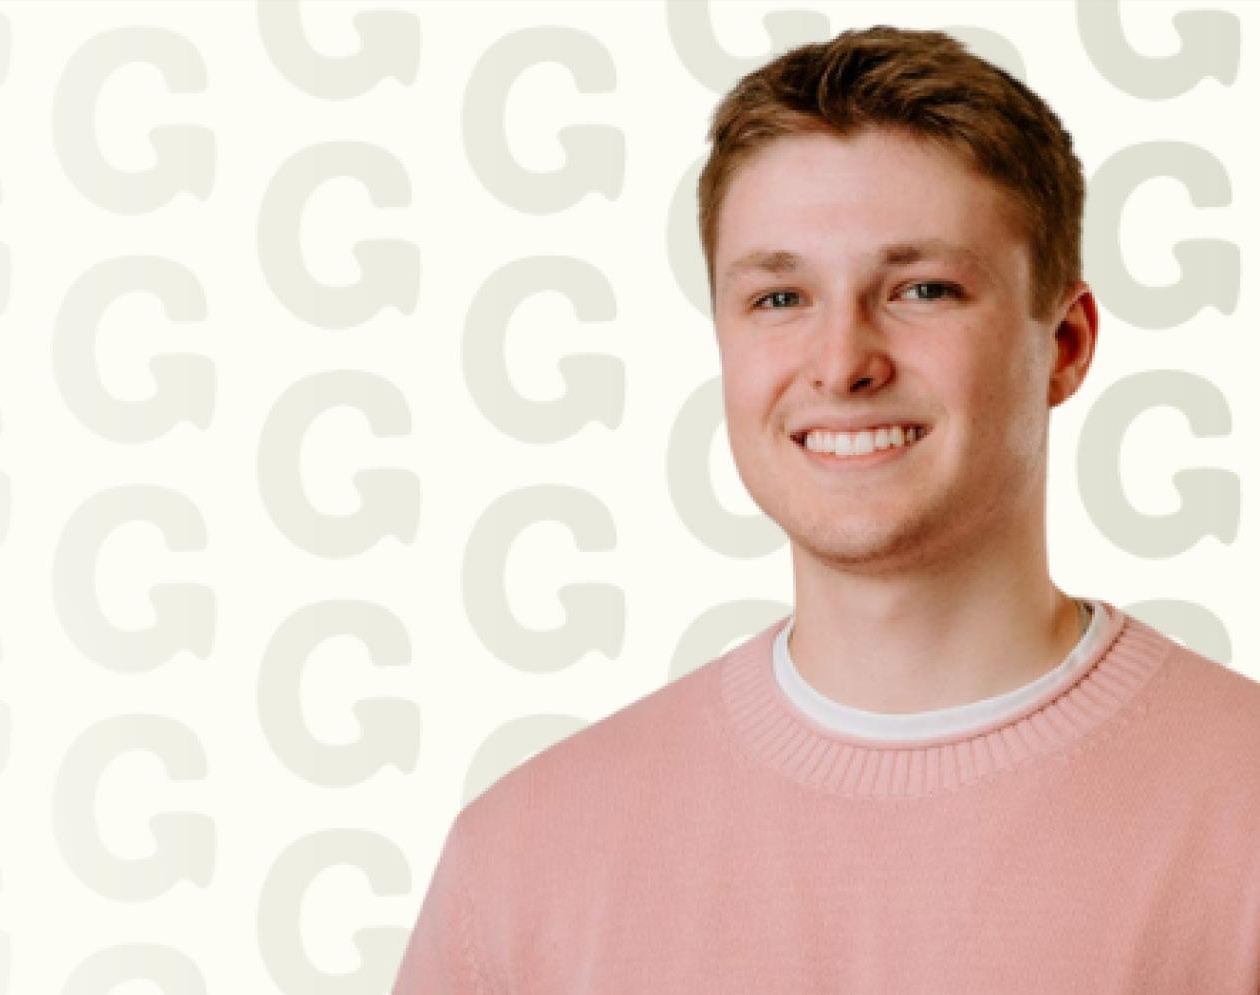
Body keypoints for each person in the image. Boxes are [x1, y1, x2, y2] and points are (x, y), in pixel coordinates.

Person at [392, 25, 1260, 994]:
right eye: (779, 298)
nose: (842, 362)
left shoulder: (1241, 808)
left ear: (1063, 343)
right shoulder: (521, 861)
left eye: (921, 288)